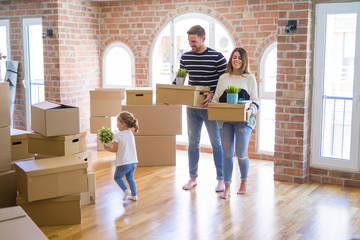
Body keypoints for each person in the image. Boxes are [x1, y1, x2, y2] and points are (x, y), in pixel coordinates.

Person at [173, 25, 227, 191]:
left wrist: (212, 94)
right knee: (193, 143)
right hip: (192, 108)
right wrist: (169, 94)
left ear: (203, 39)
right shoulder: (186, 57)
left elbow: (225, 82)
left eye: (194, 41)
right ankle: (192, 178)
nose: (191, 44)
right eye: (189, 41)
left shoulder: (217, 57)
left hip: (211, 108)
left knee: (216, 143)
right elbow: (179, 79)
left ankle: (221, 179)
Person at [212, 47, 259, 199]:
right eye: (234, 57)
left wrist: (250, 111)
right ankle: (227, 187)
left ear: (244, 61)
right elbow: (216, 99)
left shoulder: (249, 79)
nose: (236, 60)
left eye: (239, 58)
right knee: (227, 154)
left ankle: (243, 182)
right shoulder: (224, 78)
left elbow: (256, 101)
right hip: (225, 121)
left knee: (241, 153)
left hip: (243, 122)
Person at [104, 111, 139, 201]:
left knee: (117, 177)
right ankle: (134, 195)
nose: (116, 124)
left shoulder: (117, 135)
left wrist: (106, 148)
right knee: (130, 178)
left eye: (118, 122)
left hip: (123, 163)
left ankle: (126, 190)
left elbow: (115, 149)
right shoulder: (130, 134)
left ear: (123, 124)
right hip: (133, 162)